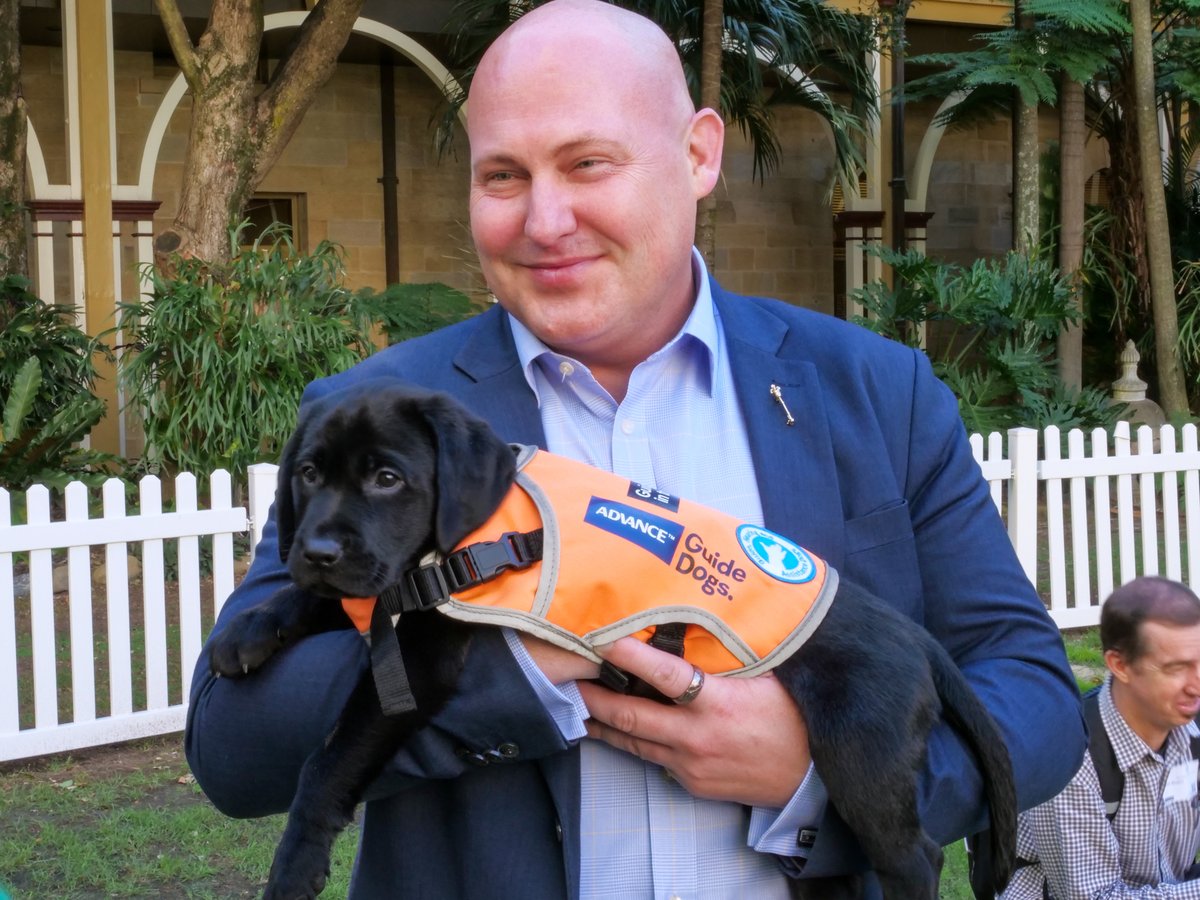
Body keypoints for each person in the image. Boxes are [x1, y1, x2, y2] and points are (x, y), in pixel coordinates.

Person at [184, 1, 1085, 896]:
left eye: (587, 163)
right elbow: (234, 744)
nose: (544, 221)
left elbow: (1033, 695)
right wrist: (512, 669)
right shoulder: (379, 418)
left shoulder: (879, 393)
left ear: (698, 154)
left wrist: (815, 774)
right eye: (502, 176)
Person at [1001, 577, 1200, 900]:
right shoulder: (1070, 756)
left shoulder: (1190, 724)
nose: (1196, 684)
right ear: (1119, 665)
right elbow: (1091, 896)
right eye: (1176, 668)